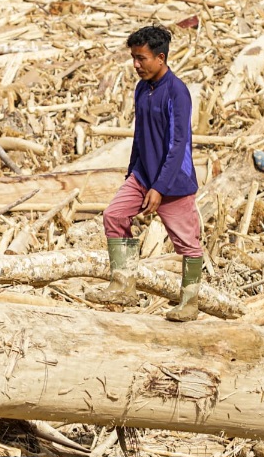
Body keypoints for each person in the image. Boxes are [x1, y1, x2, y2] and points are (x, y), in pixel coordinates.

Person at [86, 25, 204, 322]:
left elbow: (179, 145)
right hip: (142, 175)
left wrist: (160, 188)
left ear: (160, 58)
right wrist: (132, 175)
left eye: (142, 58)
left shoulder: (177, 93)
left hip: (173, 183)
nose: (136, 65)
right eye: (134, 58)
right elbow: (139, 135)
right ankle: (124, 285)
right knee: (114, 215)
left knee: (187, 244)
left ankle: (189, 303)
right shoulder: (142, 88)